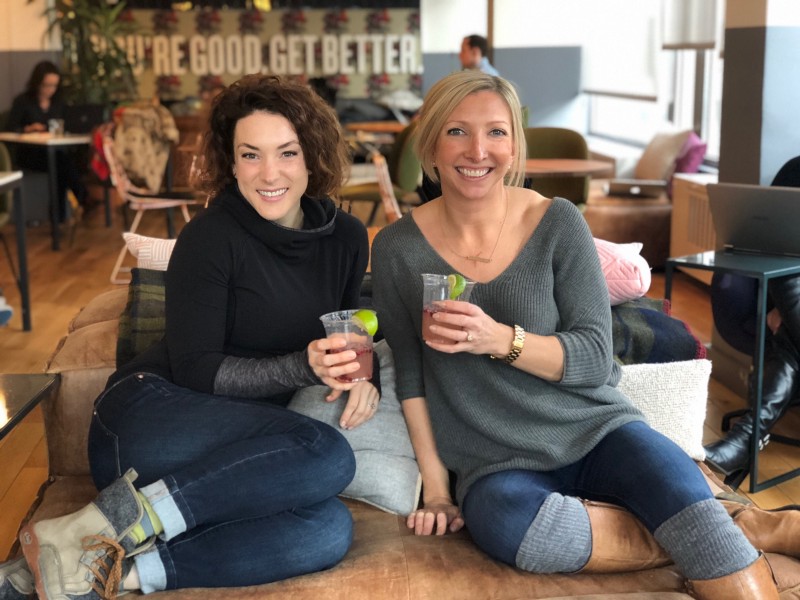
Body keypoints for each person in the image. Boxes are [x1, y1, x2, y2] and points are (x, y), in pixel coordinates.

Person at [371, 70, 781, 597]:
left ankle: (708, 527)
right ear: (430, 144)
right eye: (456, 131)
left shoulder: (558, 222)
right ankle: (727, 524)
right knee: (507, 527)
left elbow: (595, 357)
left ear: (514, 145)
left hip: (596, 429)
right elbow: (410, 376)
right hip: (494, 461)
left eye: (496, 132)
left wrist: (499, 340)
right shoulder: (397, 248)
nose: (477, 150)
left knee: (690, 512)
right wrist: (437, 491)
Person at [5, 74, 380, 600]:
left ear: (312, 157)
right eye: (250, 155)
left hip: (235, 450)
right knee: (326, 453)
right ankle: (111, 523)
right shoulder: (210, 236)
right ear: (231, 162)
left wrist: (366, 377)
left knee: (327, 530)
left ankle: (98, 572)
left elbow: (349, 323)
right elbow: (197, 369)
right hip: (148, 418)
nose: (269, 173)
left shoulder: (345, 237)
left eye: (287, 153)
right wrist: (303, 367)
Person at [704, 155, 800, 486]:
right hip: (784, 294)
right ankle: (745, 440)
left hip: (788, 300)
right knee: (786, 269)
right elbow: (767, 235)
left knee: (789, 326)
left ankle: (744, 440)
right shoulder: (795, 169)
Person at [5, 60, 89, 219]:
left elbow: (68, 123)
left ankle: (62, 214)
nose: (50, 89)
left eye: (54, 85)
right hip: (30, 154)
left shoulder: (58, 102)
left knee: (65, 161)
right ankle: (83, 201)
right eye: (46, 85)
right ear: (37, 83)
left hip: (55, 150)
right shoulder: (23, 101)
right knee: (61, 163)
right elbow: (9, 128)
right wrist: (27, 129)